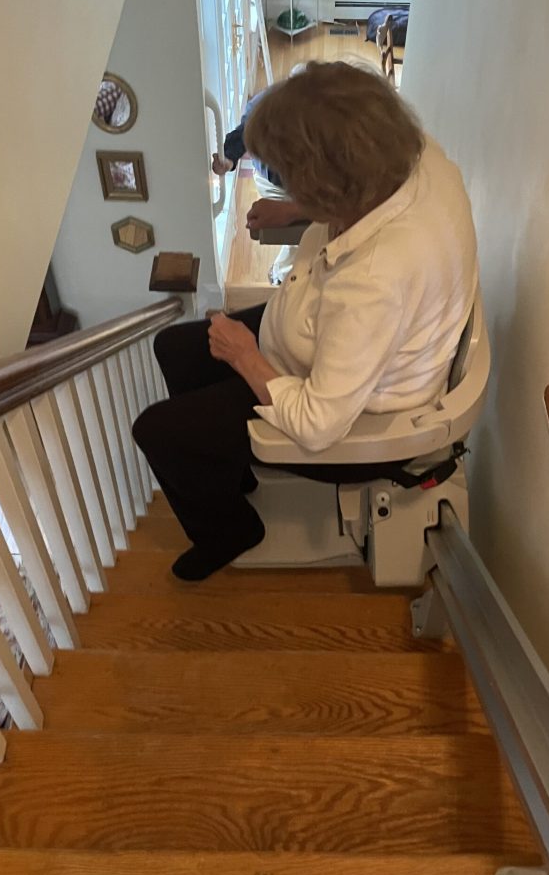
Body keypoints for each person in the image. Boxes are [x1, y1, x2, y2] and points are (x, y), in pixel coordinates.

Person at [133, 60, 478, 581]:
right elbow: (359, 189)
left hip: (357, 416)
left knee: (158, 431)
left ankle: (229, 531)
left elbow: (318, 425)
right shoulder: (418, 156)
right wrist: (298, 209)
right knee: (174, 347)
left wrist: (245, 356)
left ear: (328, 185)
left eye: (292, 177)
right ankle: (228, 469)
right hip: (329, 336)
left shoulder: (375, 280)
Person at [212, 70, 307, 283]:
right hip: (274, 181)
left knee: (306, 228)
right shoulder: (263, 106)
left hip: (313, 178)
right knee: (298, 230)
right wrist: (228, 159)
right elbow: (243, 134)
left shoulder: (332, 122)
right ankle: (283, 273)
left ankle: (284, 271)